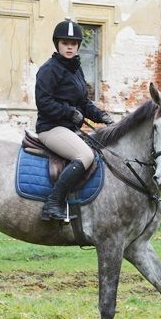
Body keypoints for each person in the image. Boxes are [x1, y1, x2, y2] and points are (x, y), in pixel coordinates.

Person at [35, 19, 114, 221]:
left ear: (78, 46)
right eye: (65, 43)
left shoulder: (76, 69)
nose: (69, 47)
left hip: (69, 129)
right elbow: (44, 103)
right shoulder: (48, 69)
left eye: (73, 44)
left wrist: (102, 116)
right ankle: (53, 204)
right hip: (51, 128)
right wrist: (69, 112)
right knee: (85, 156)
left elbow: (84, 103)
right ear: (57, 45)